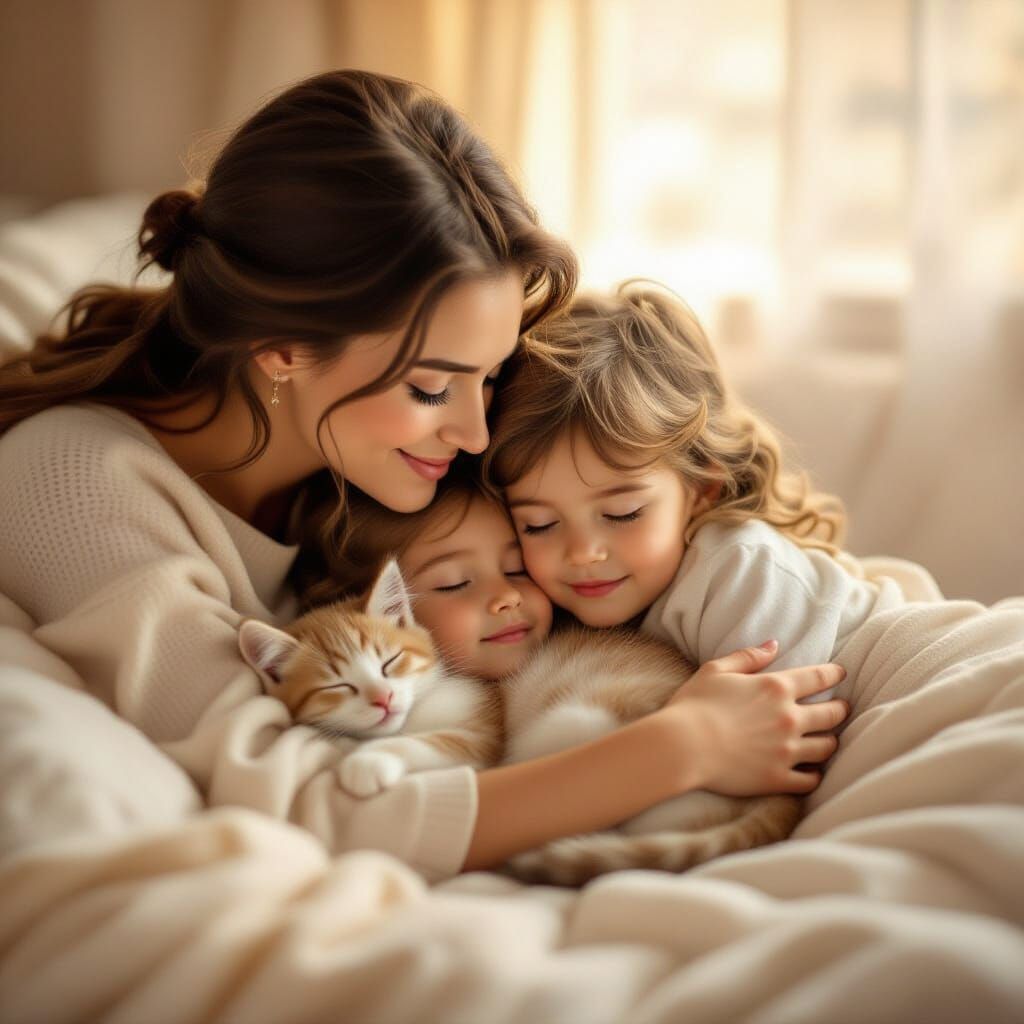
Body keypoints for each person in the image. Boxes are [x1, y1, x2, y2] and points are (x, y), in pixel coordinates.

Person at [0, 71, 845, 882]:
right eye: (433, 387)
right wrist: (680, 748)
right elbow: (315, 803)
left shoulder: (362, 450)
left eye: (486, 377)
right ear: (284, 351)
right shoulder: (76, 484)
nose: (475, 430)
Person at [483, 283, 944, 707]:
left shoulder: (739, 568)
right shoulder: (559, 611)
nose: (583, 552)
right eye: (538, 524)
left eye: (623, 513)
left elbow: (770, 732)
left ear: (703, 488)